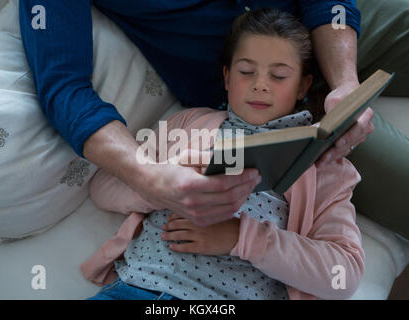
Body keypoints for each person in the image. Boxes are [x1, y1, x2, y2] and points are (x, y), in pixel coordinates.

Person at [83, 8, 365, 300]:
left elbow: (343, 275)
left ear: (302, 86)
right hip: (137, 287)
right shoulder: (187, 124)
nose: (260, 84)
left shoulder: (323, 162)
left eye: (279, 75)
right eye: (246, 72)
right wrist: (161, 183)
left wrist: (241, 237)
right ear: (227, 77)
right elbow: (102, 186)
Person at [19, 0, 371, 227]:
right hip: (291, 100)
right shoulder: (193, 128)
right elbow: (64, 88)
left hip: (334, 34)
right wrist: (150, 177)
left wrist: (346, 83)